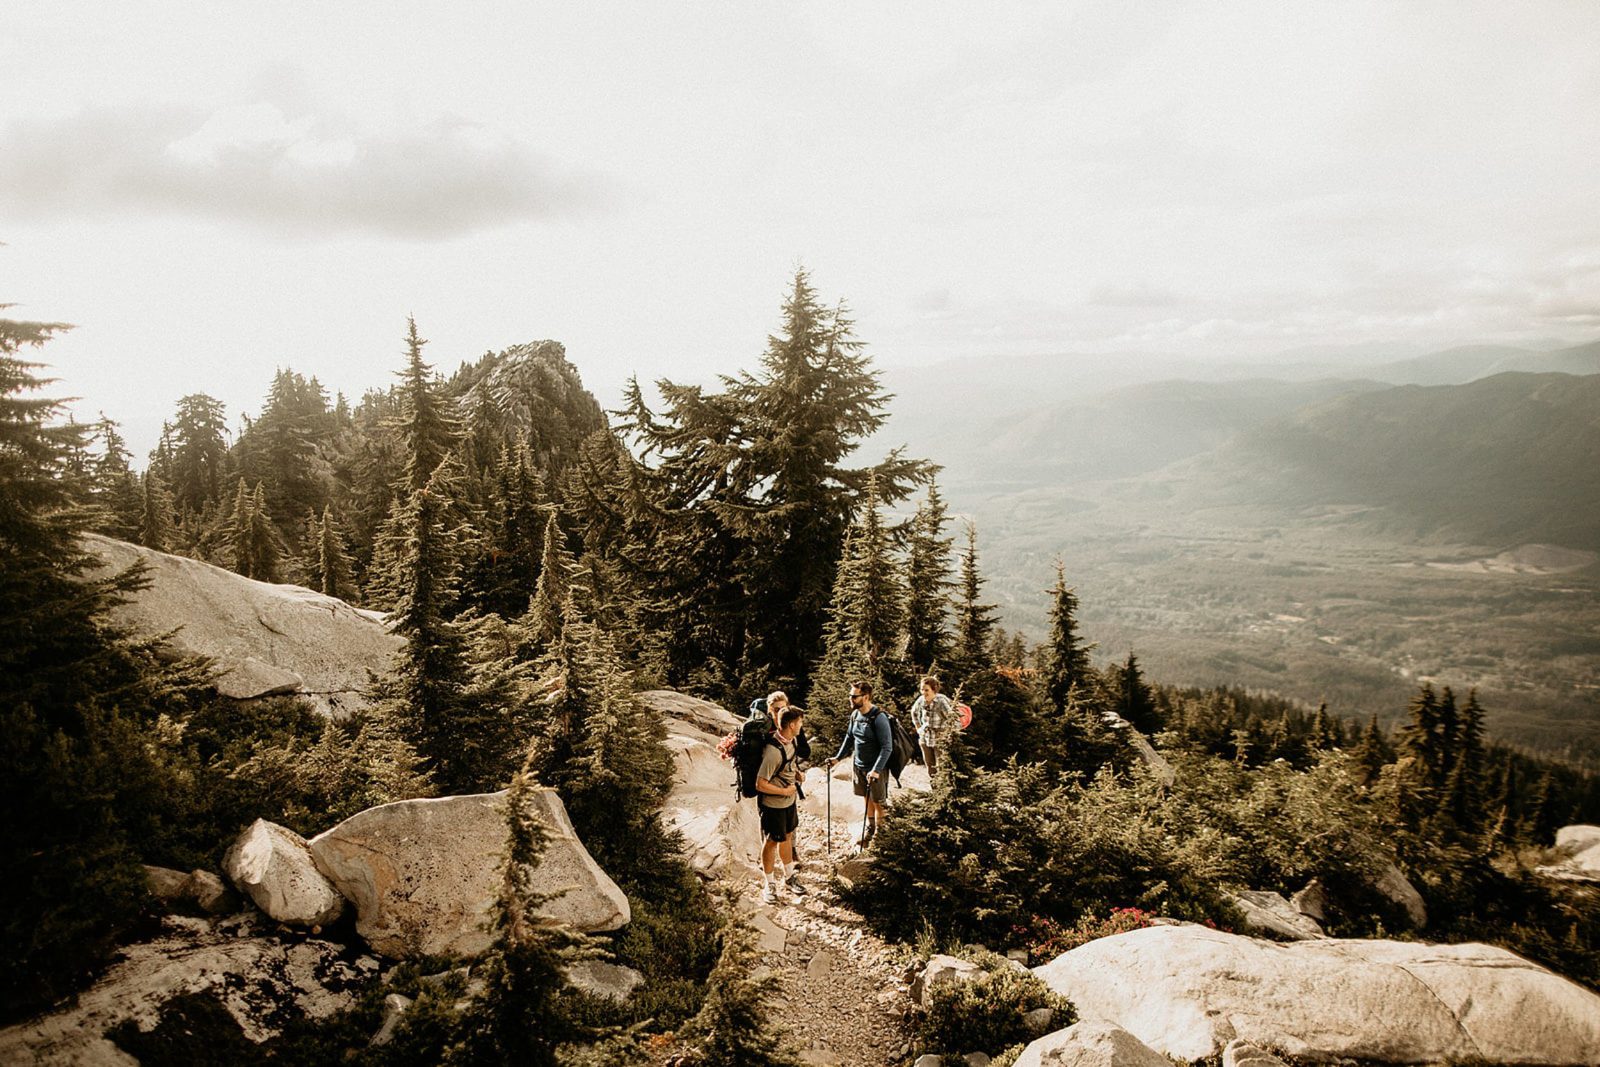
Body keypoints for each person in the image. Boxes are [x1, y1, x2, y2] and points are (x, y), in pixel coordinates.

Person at [827, 680, 892, 849]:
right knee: (866, 797)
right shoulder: (855, 715)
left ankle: (881, 835)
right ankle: (870, 829)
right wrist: (837, 758)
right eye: (850, 695)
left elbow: (887, 747)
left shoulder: (879, 718)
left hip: (875, 768)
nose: (850, 699)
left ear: (866, 696)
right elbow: (849, 737)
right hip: (859, 765)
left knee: (878, 801)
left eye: (854, 696)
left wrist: (876, 770)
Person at [755, 707, 808, 903]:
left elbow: (789, 764)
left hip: (788, 803)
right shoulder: (772, 752)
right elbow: (760, 783)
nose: (801, 726)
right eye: (800, 723)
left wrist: (797, 774)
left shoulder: (791, 741)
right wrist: (784, 791)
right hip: (773, 805)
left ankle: (789, 876)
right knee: (771, 842)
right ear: (792, 725)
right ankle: (769, 885)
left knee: (787, 836)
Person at [908, 675, 954, 777]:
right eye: (922, 690)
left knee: (941, 767)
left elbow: (952, 718)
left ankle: (943, 789)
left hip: (939, 738)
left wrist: (947, 734)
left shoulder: (941, 701)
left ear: (934, 690)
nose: (924, 692)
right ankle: (934, 789)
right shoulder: (921, 700)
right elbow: (914, 712)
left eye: (926, 690)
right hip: (925, 738)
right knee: (930, 767)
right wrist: (918, 727)